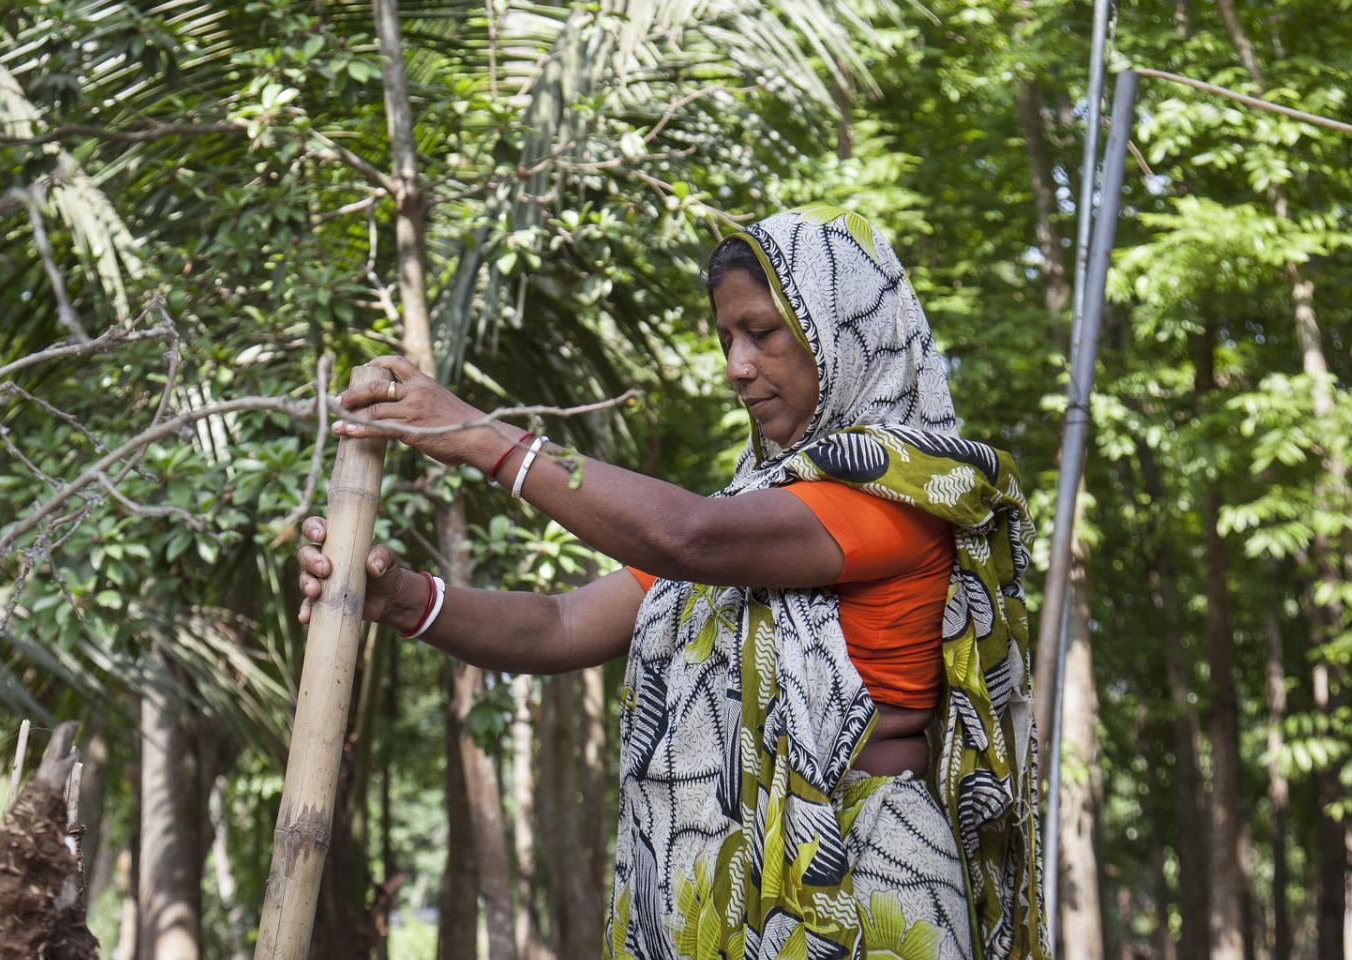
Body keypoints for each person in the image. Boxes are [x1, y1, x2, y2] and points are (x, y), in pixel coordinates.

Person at [295, 207, 1049, 960]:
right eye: (726, 340)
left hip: (865, 895)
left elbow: (686, 536)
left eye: (762, 332)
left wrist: (481, 437)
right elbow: (561, 624)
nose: (736, 366)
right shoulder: (752, 519)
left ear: (840, 327)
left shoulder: (904, 494)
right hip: (736, 901)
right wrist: (404, 599)